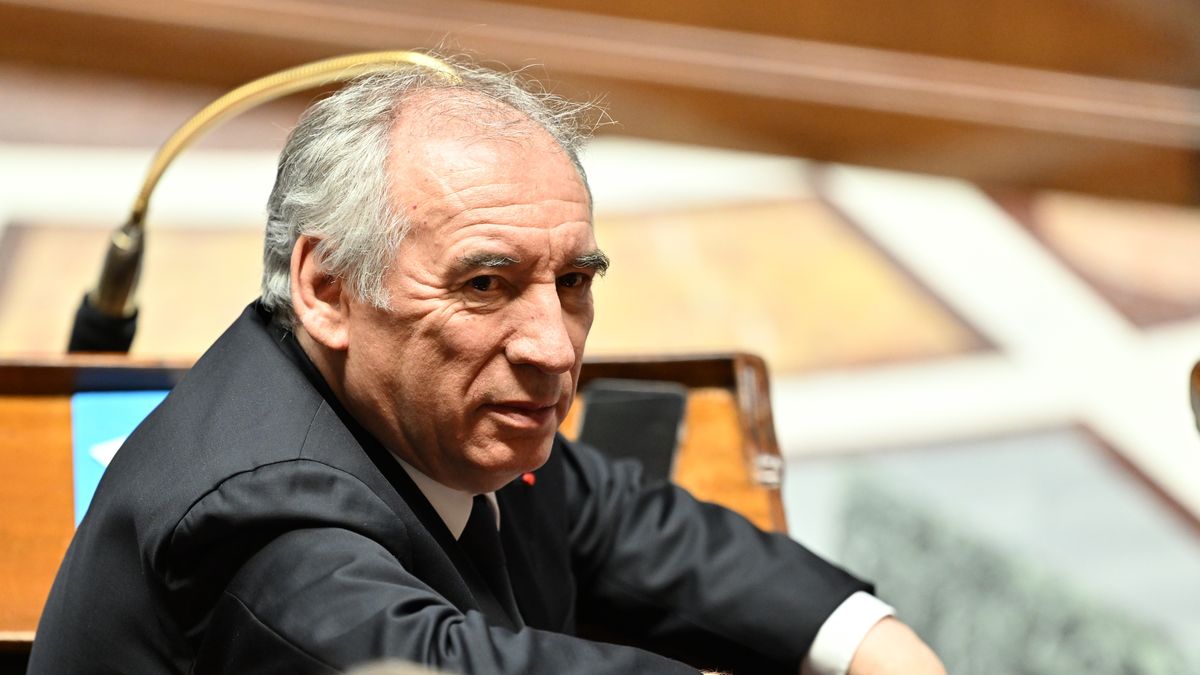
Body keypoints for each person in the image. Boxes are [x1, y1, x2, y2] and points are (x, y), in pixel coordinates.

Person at [29, 53, 945, 674]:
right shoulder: (259, 522)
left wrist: (865, 638)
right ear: (326, 287)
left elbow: (609, 517)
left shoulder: (448, 405)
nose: (553, 345)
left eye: (575, 279)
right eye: (484, 283)